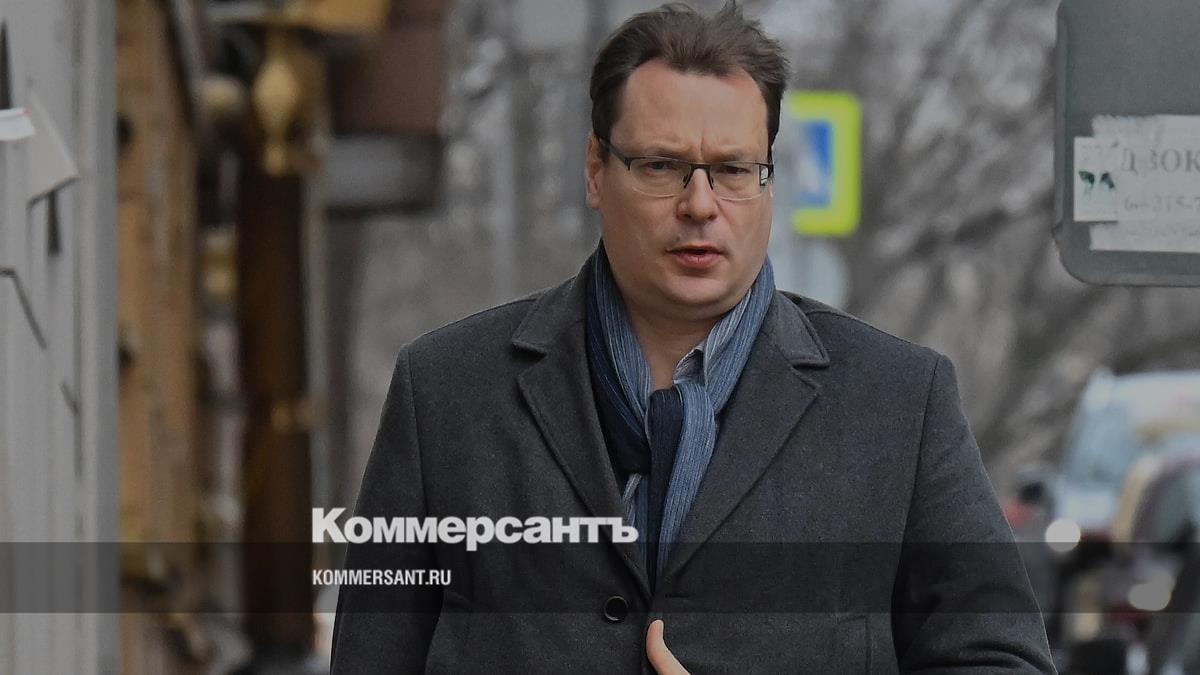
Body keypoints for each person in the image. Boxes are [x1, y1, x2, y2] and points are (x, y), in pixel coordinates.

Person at [331, 2, 1055, 672]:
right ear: (596, 170)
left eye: (733, 170)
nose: (701, 204)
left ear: (769, 181)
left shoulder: (898, 402)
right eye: (662, 166)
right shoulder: (446, 392)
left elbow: (1002, 662)